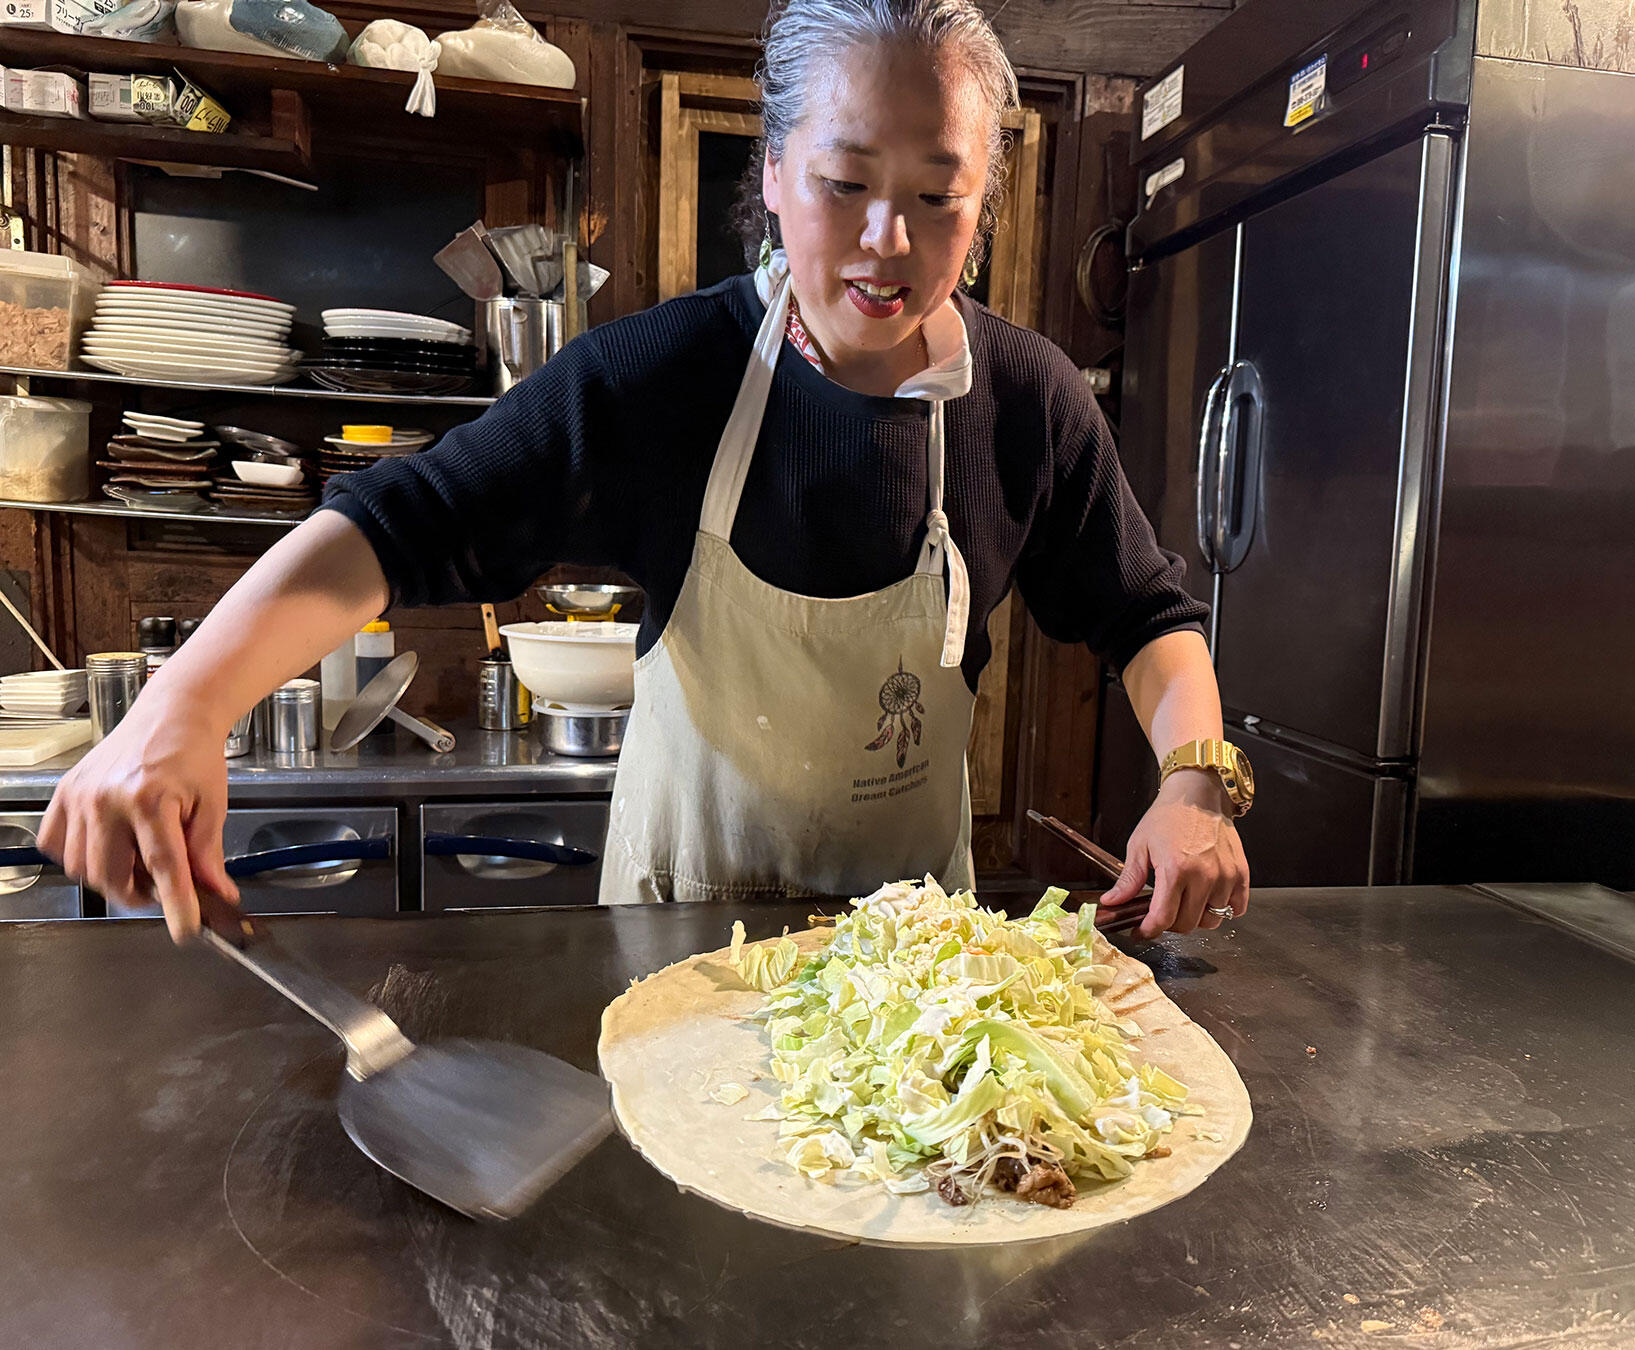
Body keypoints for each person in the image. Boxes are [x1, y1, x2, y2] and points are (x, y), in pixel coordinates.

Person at [41, 0, 1252, 943]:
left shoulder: (1023, 398)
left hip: (911, 963)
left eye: (938, 198)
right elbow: (397, 523)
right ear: (773, 175)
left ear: (979, 209)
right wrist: (180, 708)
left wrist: (1194, 781)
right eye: (846, 185)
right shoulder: (659, 379)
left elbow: (1143, 613)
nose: (890, 243)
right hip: (678, 940)